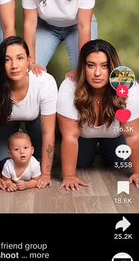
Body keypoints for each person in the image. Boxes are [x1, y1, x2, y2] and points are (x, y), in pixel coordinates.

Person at [57, 39, 139, 191]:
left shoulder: (129, 87)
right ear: (83, 67)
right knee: (81, 163)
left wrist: (138, 172)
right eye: (90, 65)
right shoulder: (69, 86)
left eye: (105, 66)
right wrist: (69, 176)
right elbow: (70, 136)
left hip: (115, 135)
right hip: (83, 136)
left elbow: (133, 136)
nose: (97, 73)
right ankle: (94, 147)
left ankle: (103, 148)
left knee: (119, 161)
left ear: (113, 67)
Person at [0, 36, 57, 190]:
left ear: (29, 60)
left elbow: (49, 132)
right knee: (6, 166)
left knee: (37, 166)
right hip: (5, 124)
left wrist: (46, 175)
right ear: (0, 64)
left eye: (20, 58)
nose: (14, 65)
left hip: (35, 124)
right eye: (7, 60)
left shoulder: (45, 82)